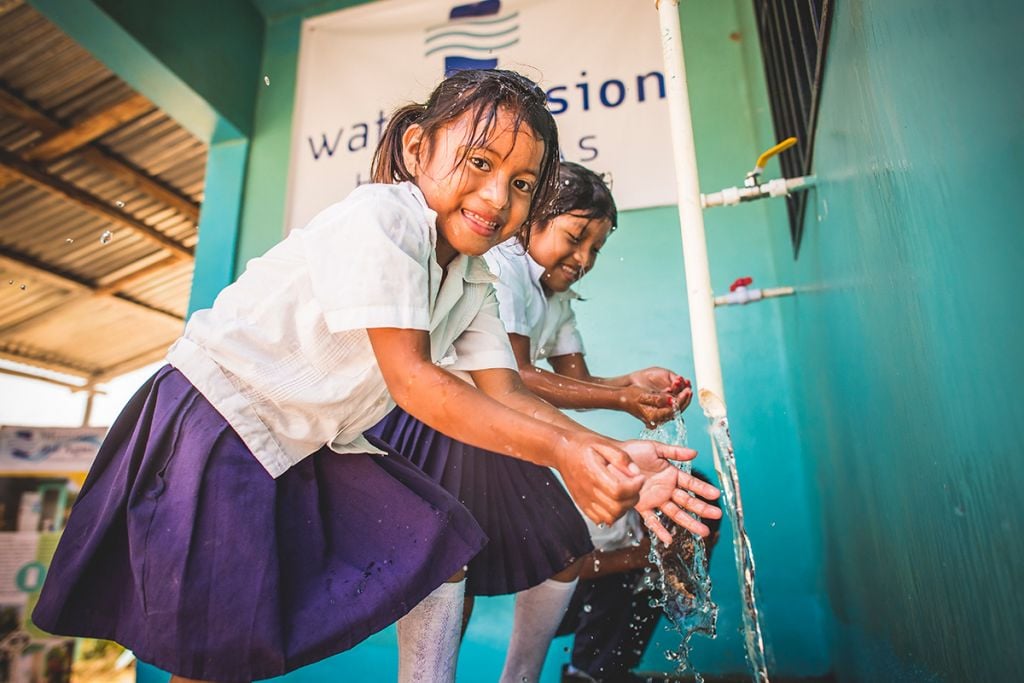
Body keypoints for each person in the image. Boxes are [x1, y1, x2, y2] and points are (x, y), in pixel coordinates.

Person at [30, 69, 717, 683]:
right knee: (214, 649)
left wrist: (612, 452)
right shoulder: (383, 218)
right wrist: (571, 450)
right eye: (478, 162)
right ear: (417, 148)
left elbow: (504, 387)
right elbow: (414, 380)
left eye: (520, 184)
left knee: (435, 535)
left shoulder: (473, 273)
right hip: (219, 415)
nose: (494, 195)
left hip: (311, 436)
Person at [369, 162, 721, 683]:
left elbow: (574, 382)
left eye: (595, 249)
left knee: (547, 548)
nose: (583, 259)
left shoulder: (557, 296)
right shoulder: (504, 270)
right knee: (462, 567)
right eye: (575, 237)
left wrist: (630, 384)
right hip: (459, 429)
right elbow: (512, 379)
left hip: (500, 431)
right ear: (535, 221)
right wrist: (621, 402)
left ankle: (534, 674)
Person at [558, 470, 722, 683]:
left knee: (654, 584)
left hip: (618, 584)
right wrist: (638, 557)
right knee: (622, 578)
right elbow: (562, 567)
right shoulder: (609, 513)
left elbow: (685, 610)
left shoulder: (697, 538)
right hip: (555, 602)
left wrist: (686, 571)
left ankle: (612, 671)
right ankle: (584, 673)